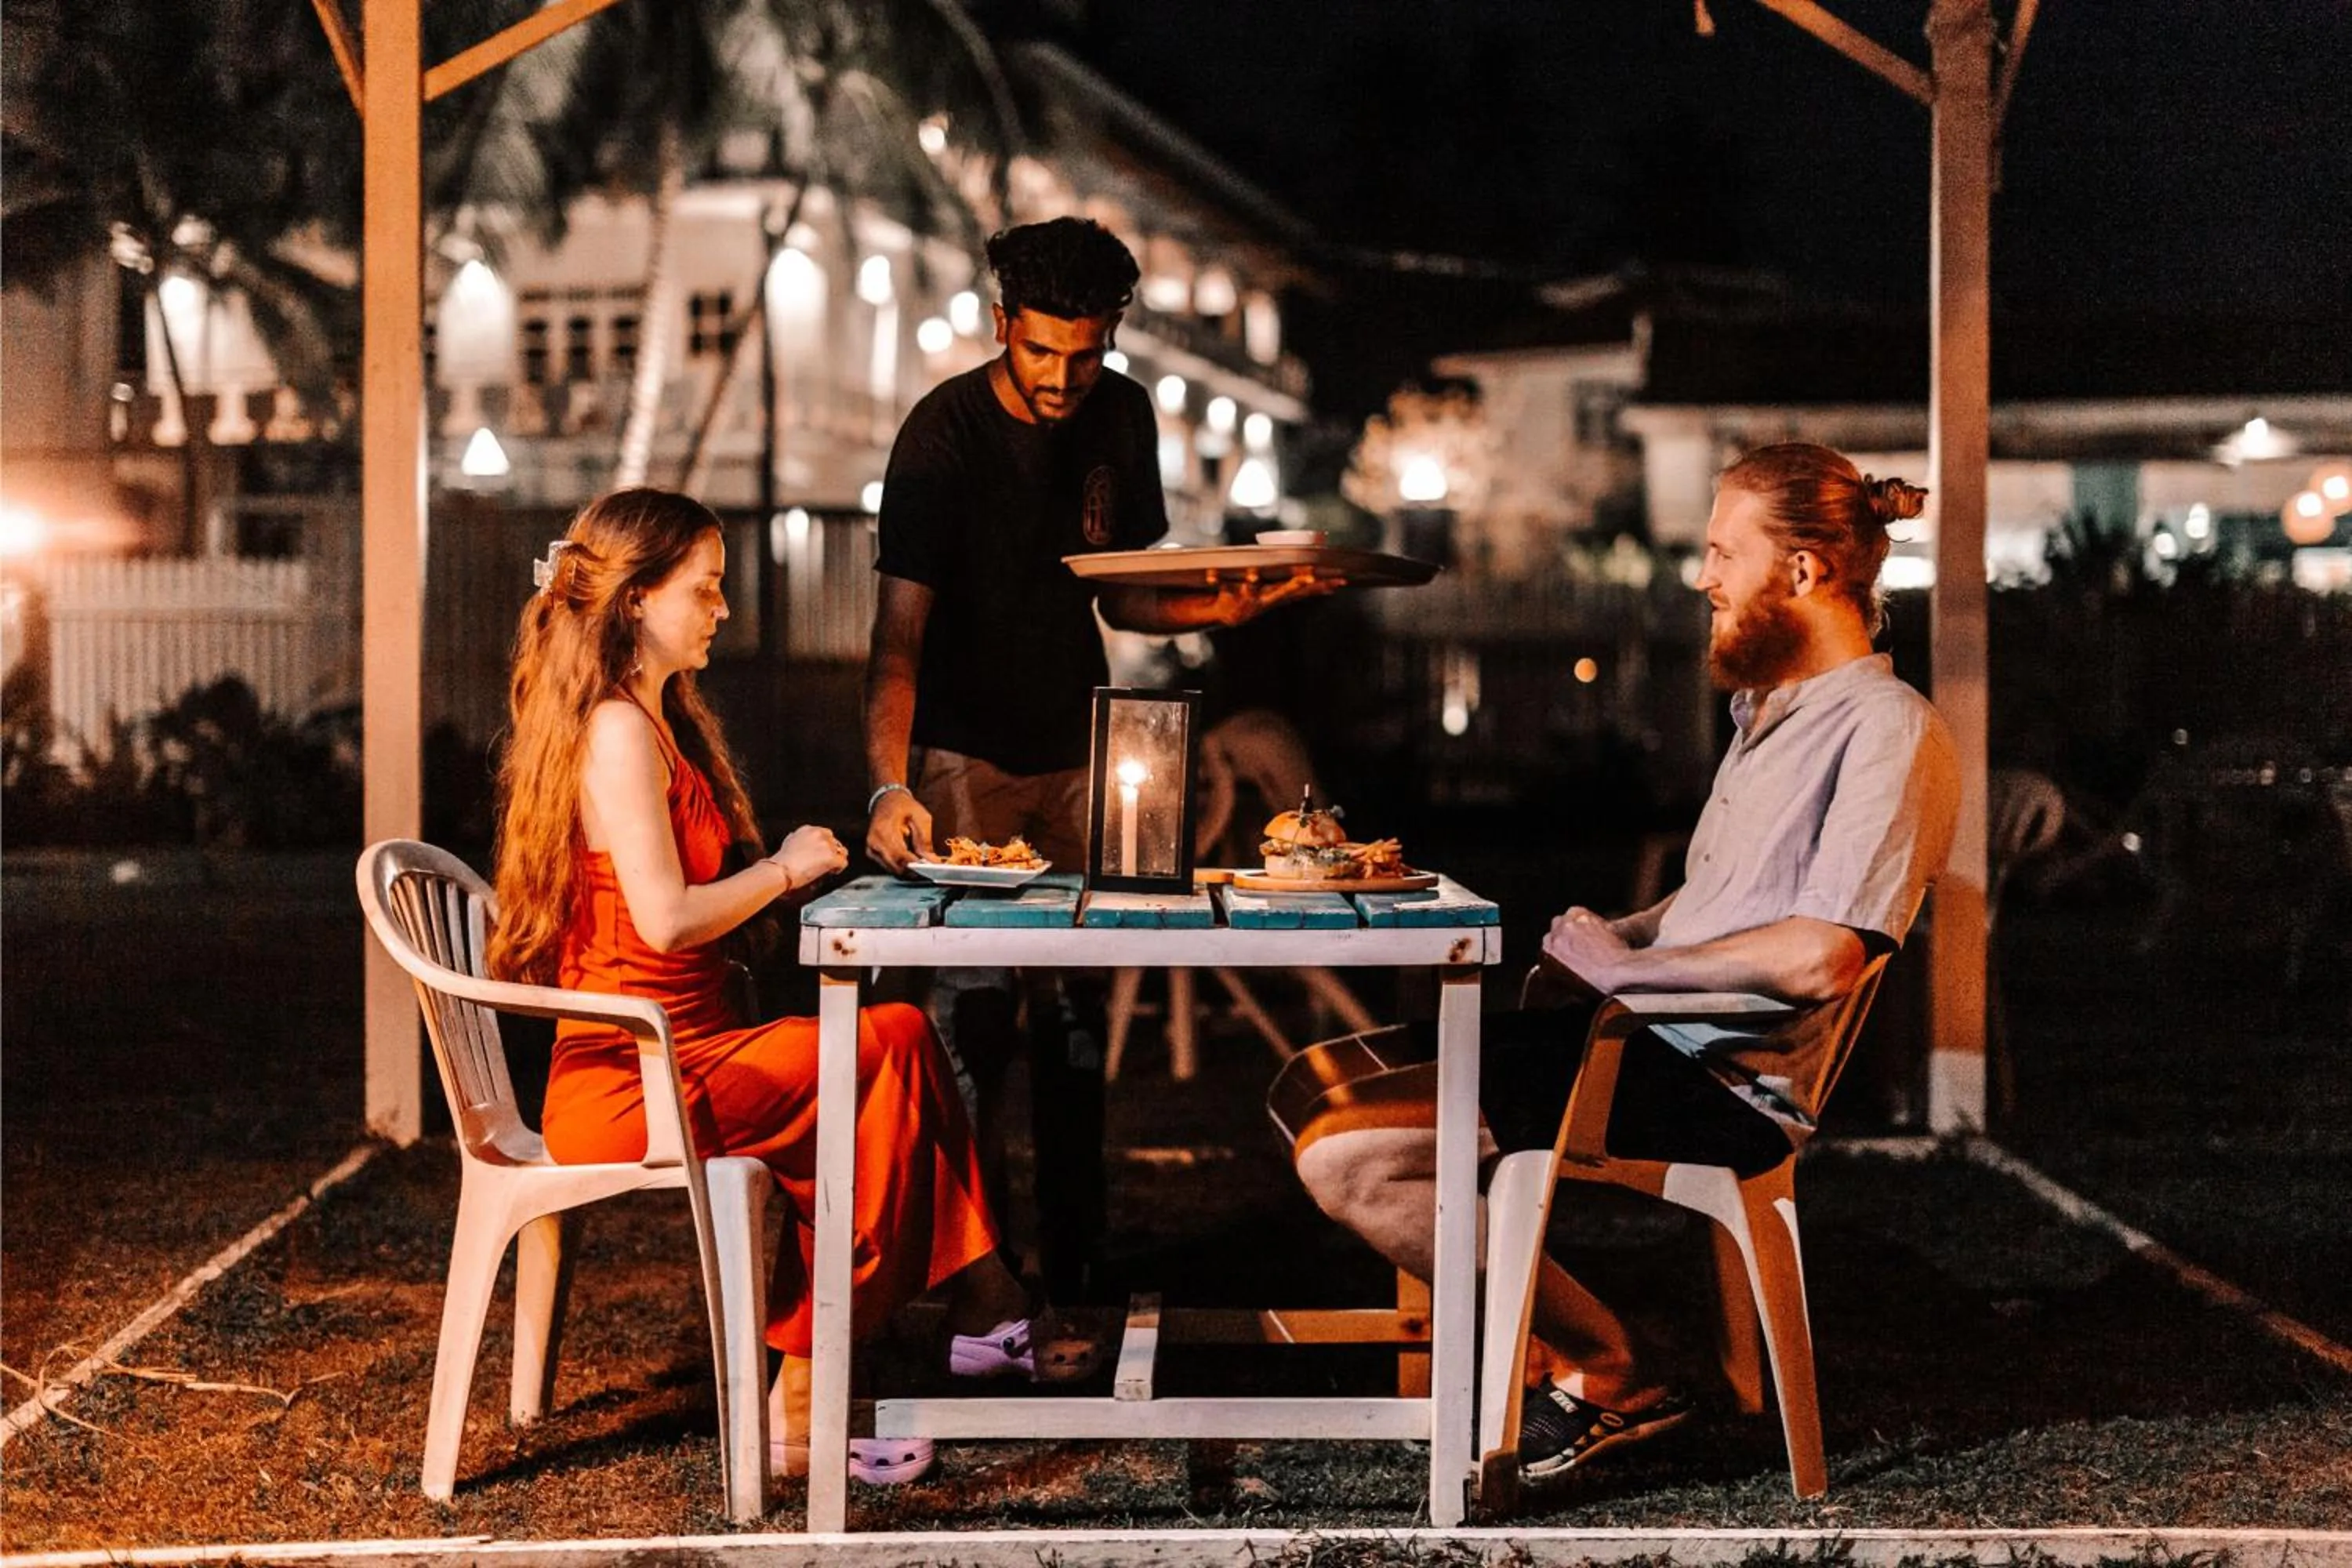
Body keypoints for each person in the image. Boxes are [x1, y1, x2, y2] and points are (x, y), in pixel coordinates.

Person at [1272, 443, 1962, 1483]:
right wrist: (1635, 930)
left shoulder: (1889, 732)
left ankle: (1605, 1371)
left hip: (1714, 1079)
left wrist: (1630, 976)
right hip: (1642, 1034)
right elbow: (1735, 899)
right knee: (1316, 1081)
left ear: (1806, 572)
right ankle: (1500, 1356)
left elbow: (1825, 954)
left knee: (1344, 1156)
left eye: (1724, 552)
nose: (1703, 577)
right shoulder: (1773, 713)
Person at [488, 488, 1093, 1490]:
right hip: (635, 1074)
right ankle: (829, 1379)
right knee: (887, 1045)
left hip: (691, 1048)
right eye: (706, 589)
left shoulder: (654, 718)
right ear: (637, 601)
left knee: (890, 1043)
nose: (723, 608)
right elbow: (667, 919)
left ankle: (961, 1311)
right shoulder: (617, 733)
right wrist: (788, 867)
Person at [862, 216, 1330, 1298]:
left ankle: (1074, 1263)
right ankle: (974, 1275)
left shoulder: (1121, 413)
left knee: (1072, 1015)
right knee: (974, 1021)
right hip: (959, 754)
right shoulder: (943, 435)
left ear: (1113, 332)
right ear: (1000, 327)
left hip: (1079, 745)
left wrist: (1235, 599)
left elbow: (1122, 593)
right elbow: (898, 636)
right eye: (1040, 352)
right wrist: (890, 782)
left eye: (1087, 352)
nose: (1065, 378)